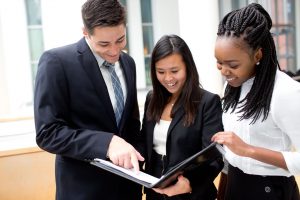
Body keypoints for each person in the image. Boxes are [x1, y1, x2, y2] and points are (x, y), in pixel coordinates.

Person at [34, 0, 144, 199]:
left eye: (120, 40)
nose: (114, 51)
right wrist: (106, 143)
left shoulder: (129, 64)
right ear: (85, 32)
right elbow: (47, 133)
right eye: (104, 43)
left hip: (128, 190)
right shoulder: (56, 63)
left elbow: (132, 126)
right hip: (83, 192)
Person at [211, 3, 300, 200]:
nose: (224, 71)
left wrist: (248, 150)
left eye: (232, 64)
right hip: (235, 183)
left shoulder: (285, 92)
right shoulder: (233, 86)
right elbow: (232, 154)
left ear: (257, 55)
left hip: (270, 189)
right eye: (219, 62)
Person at [141, 34, 224, 200]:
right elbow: (144, 144)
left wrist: (189, 183)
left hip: (190, 194)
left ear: (187, 67)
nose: (168, 78)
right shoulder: (152, 98)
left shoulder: (207, 102)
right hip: (155, 193)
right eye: (161, 72)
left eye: (174, 71)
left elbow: (215, 157)